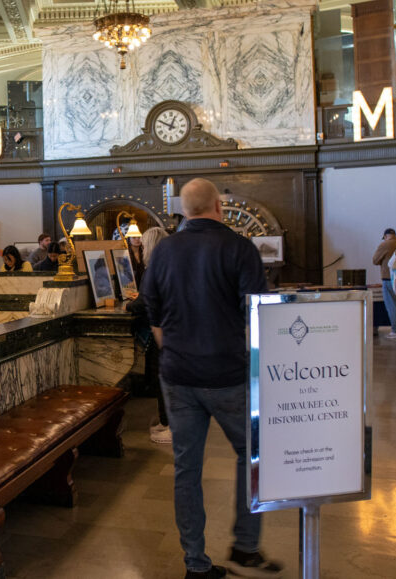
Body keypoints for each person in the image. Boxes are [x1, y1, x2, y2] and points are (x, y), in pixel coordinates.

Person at [142, 178, 280, 579]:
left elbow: (151, 308)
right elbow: (258, 314)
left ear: (184, 210)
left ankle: (196, 565)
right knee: (254, 454)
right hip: (227, 374)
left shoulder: (164, 250)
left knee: (187, 468)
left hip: (178, 375)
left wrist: (173, 347)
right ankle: (246, 545)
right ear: (218, 206)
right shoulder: (239, 248)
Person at [126, 226, 170, 444]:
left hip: (162, 329)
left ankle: (170, 425)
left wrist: (130, 306)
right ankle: (167, 422)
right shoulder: (169, 265)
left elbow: (145, 303)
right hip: (173, 326)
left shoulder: (154, 269)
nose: (141, 249)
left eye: (143, 245)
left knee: (163, 376)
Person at [372, 228, 396, 340]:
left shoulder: (385, 245)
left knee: (391, 305)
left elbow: (375, 260)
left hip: (387, 278)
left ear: (385, 236)